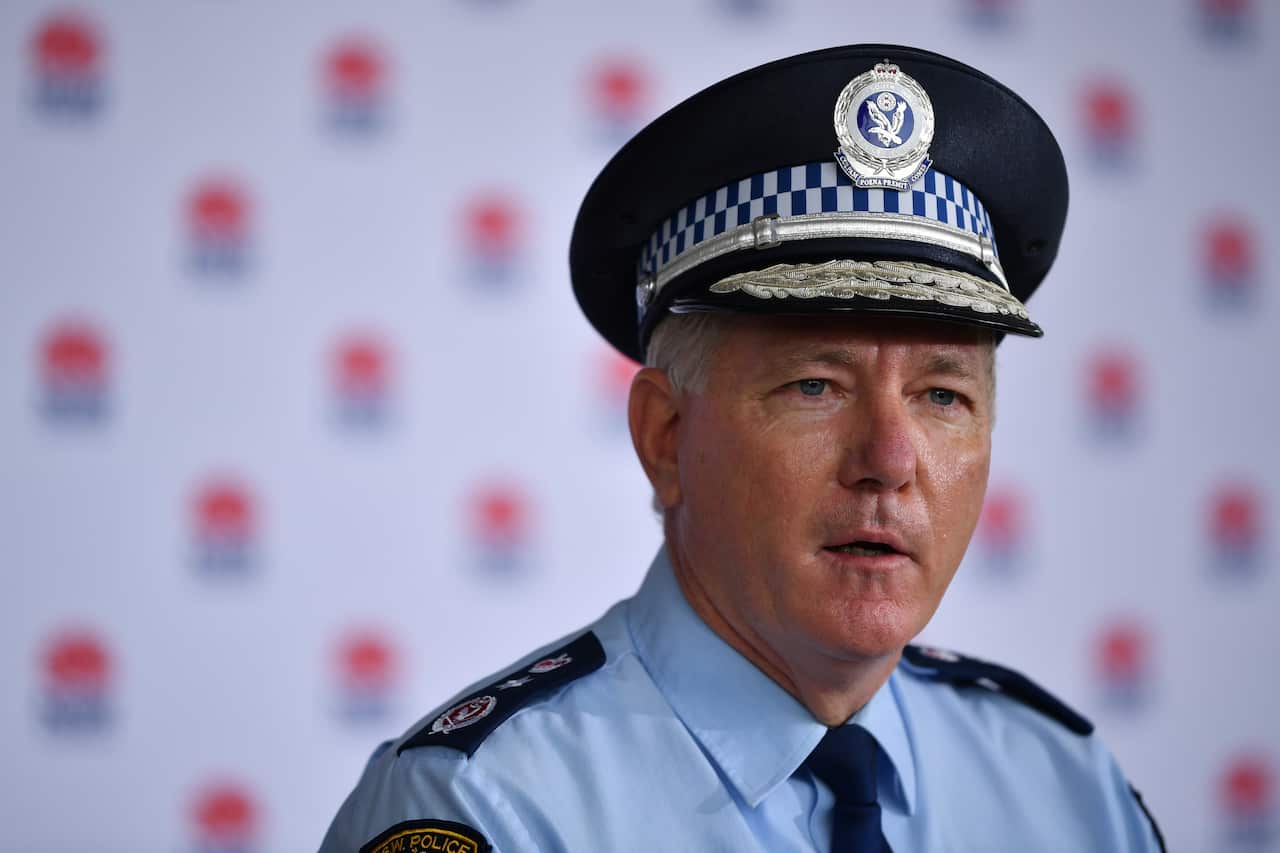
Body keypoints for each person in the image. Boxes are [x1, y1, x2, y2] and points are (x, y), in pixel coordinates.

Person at [320, 45, 1165, 853]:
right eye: (815, 385)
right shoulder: (480, 807)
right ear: (666, 437)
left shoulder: (1065, 784)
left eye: (942, 395)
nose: (891, 458)